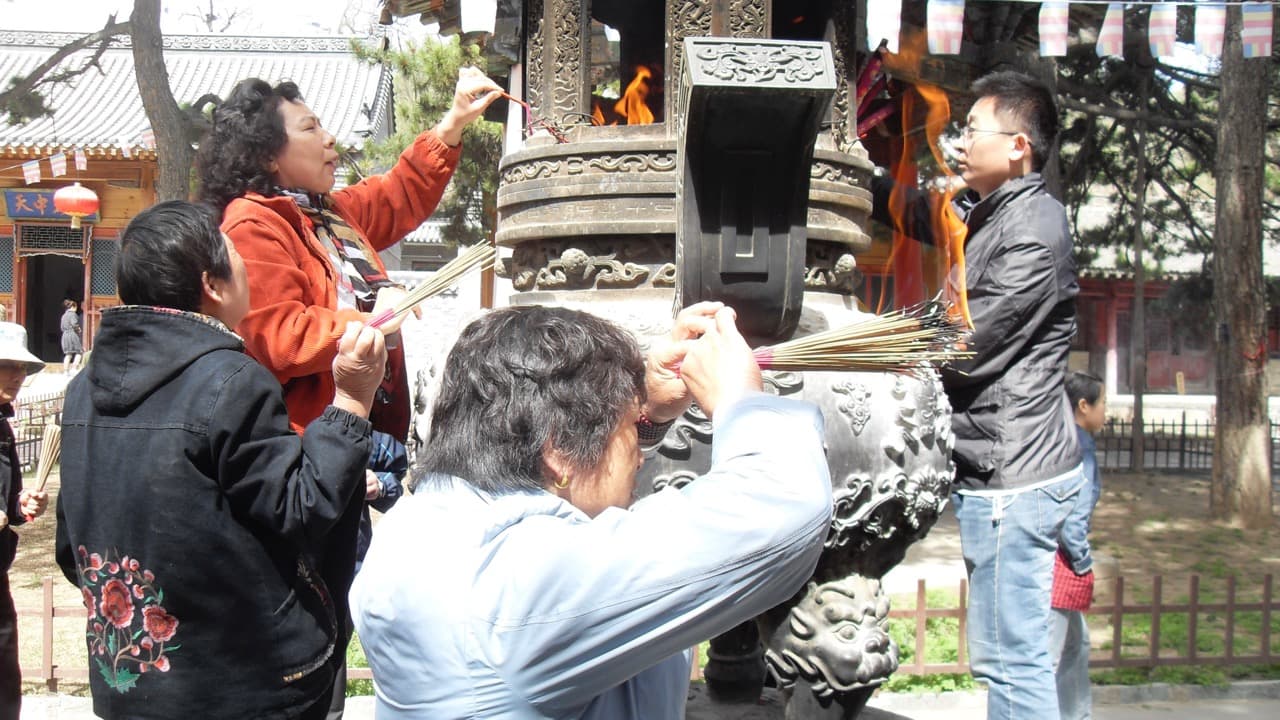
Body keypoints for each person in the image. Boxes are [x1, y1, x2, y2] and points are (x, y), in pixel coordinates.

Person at [351, 303, 833, 718]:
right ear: (559, 451)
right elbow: (784, 509)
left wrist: (641, 417)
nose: (640, 454)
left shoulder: (419, 527)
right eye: (628, 431)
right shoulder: (525, 591)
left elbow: (582, 508)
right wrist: (740, 400)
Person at [54, 201, 386, 720]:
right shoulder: (231, 381)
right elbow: (303, 509)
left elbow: (74, 549)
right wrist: (351, 401)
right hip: (243, 685)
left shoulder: (81, 391)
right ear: (213, 285)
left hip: (131, 683)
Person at [870, 70, 1084, 720]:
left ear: (1019, 146)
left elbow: (967, 345)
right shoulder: (994, 216)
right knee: (1027, 658)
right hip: (1007, 469)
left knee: (1012, 661)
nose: (959, 142)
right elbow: (929, 216)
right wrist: (857, 172)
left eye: (974, 130)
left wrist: (880, 349)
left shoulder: (1031, 232)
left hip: (1013, 478)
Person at [196, 68, 501, 439]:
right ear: (267, 155)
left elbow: (397, 194)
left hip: (349, 430)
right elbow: (282, 339)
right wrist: (372, 320)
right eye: (310, 129)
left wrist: (453, 122)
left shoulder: (327, 213)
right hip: (299, 437)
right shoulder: (252, 224)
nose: (329, 138)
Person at [0, 322, 49, 720]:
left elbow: (10, 504)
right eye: (8, 366)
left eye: (22, 368)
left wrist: (22, 503)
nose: (18, 376)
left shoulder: (4, 427)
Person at [1051, 371, 1106, 720]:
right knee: (1054, 656)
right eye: (1103, 405)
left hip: (1052, 562)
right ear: (1083, 406)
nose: (1106, 414)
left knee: (1075, 646)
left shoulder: (1058, 439)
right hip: (1061, 567)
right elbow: (1073, 521)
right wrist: (1084, 562)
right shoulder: (1081, 450)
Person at [356, 430, 406, 573]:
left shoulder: (356, 434)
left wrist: (380, 485)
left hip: (351, 561)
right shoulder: (289, 433)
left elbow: (396, 470)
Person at [60, 299, 83, 372]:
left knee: (68, 354)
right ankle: (74, 368)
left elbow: (61, 327)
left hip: (65, 335)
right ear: (73, 307)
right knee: (79, 352)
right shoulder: (73, 314)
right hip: (72, 334)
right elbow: (74, 324)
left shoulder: (64, 315)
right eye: (76, 307)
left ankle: (66, 371)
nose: (76, 309)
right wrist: (79, 330)